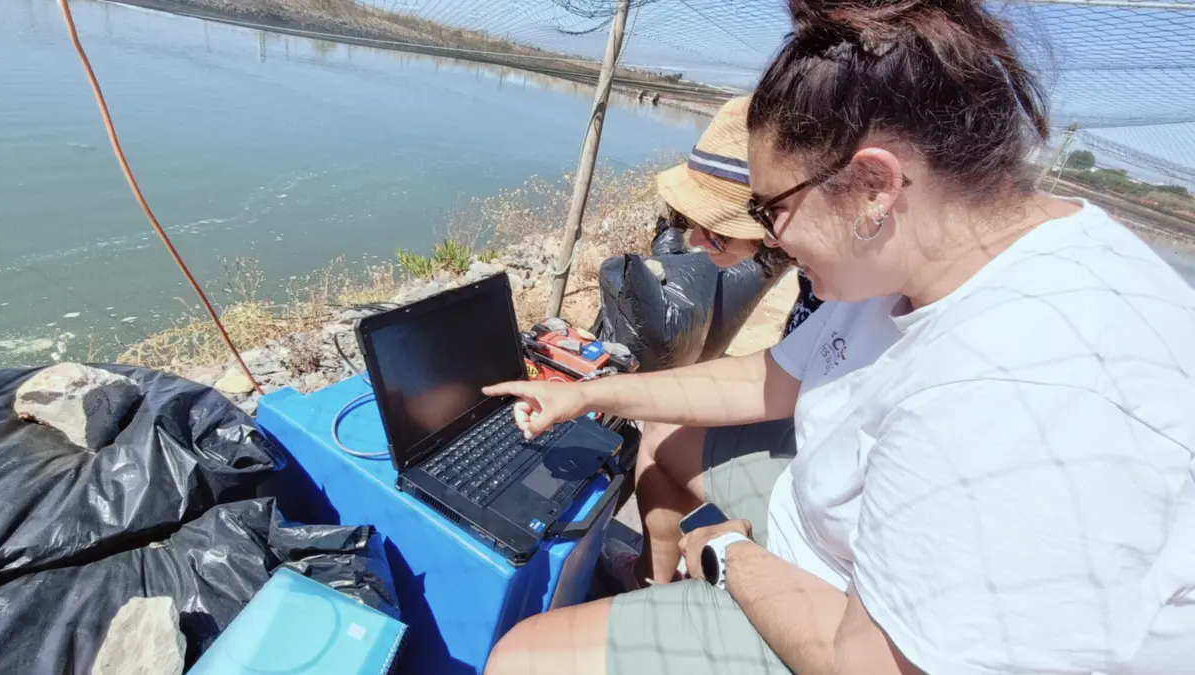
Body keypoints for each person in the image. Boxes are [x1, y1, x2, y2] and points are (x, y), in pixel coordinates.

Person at [484, 0, 1195, 673]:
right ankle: (655, 592)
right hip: (833, 518)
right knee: (665, 432)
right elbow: (771, 376)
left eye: (771, 208)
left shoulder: (1022, 387)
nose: (768, 237)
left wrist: (729, 554)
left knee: (521, 657)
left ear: (873, 186)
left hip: (853, 627)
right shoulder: (929, 249)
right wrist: (591, 394)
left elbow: (871, 659)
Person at [612, 95, 822, 591]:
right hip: (802, 420)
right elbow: (786, 369)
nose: (698, 244)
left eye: (719, 231)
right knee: (663, 422)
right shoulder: (817, 269)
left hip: (813, 474)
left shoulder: (844, 284)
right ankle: (653, 580)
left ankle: (661, 579)